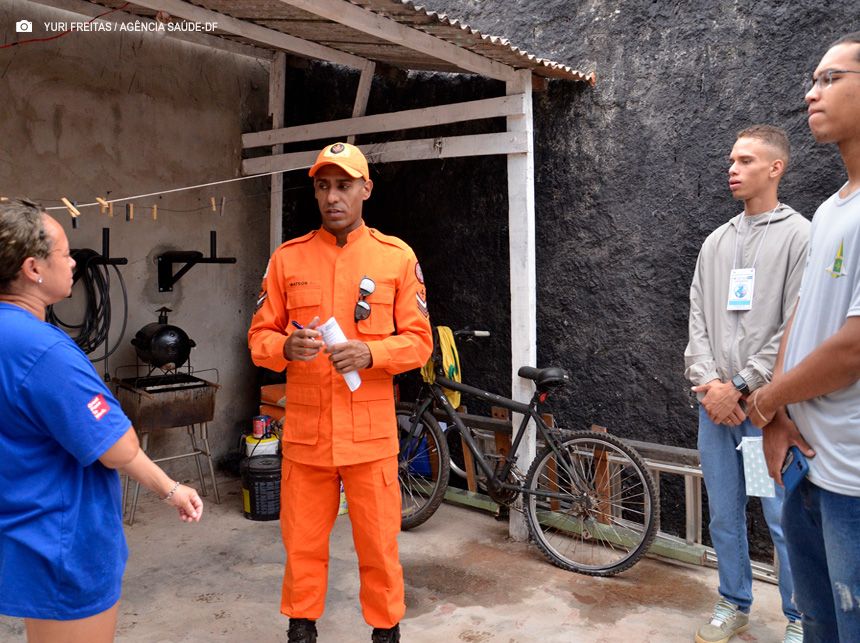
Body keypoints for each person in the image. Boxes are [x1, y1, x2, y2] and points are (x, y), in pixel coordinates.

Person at [247, 142, 432, 643]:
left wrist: (372, 353)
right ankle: (301, 627)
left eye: (344, 186)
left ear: (365, 189)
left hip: (370, 438)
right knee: (302, 545)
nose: (333, 197)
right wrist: (286, 347)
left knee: (379, 547)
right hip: (307, 436)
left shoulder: (396, 258)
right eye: (324, 186)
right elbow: (259, 339)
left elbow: (420, 342)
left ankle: (385, 631)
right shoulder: (287, 259)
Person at [0, 198, 203, 643]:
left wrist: (168, 487)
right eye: (65, 253)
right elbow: (118, 447)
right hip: (63, 544)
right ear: (33, 269)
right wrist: (171, 488)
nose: (73, 262)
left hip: (24, 532)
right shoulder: (46, 351)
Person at [748, 32, 860, 643]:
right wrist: (777, 416)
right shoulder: (831, 210)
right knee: (818, 623)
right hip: (807, 465)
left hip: (854, 480)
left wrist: (765, 399)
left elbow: (852, 349)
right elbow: (802, 318)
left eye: (831, 79)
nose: (812, 93)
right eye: (813, 80)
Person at [684, 126, 809, 643]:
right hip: (717, 414)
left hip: (763, 413)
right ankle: (733, 602)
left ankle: (801, 617)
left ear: (775, 168)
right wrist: (711, 385)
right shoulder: (716, 242)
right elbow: (697, 321)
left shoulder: (798, 237)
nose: (732, 169)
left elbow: (795, 324)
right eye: (731, 160)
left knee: (779, 514)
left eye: (746, 160)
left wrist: (739, 385)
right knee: (724, 514)